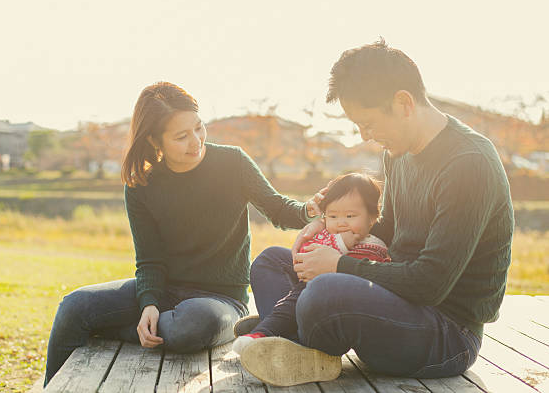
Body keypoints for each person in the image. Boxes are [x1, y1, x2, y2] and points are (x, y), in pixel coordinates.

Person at [239, 39, 514, 387]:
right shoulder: (398, 154)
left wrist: (339, 265)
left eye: (368, 124)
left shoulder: (468, 164)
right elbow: (387, 232)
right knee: (271, 262)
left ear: (403, 103)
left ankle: (285, 329)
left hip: (446, 331)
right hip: (393, 294)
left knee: (325, 292)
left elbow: (431, 283)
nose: (365, 136)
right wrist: (330, 233)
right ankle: (289, 334)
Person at [43, 82, 321, 386]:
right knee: (73, 307)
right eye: (181, 136)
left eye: (199, 128)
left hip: (220, 301)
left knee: (190, 325)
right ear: (154, 140)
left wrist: (309, 209)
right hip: (165, 290)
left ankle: (123, 327)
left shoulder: (232, 162)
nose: (196, 141)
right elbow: (149, 258)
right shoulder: (142, 185)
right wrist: (149, 303)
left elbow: (278, 209)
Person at [233, 173, 389, 355]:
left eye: (350, 215)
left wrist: (342, 248)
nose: (341, 223)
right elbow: (306, 253)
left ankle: (268, 330)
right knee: (283, 276)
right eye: (332, 216)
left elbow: (377, 275)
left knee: (308, 293)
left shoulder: (376, 245)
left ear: (372, 217)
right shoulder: (327, 235)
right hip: (307, 294)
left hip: (338, 308)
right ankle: (274, 332)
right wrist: (325, 227)